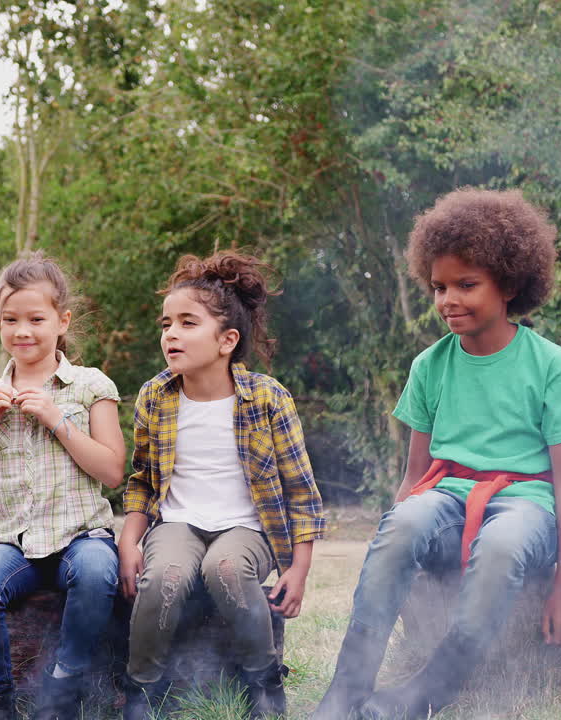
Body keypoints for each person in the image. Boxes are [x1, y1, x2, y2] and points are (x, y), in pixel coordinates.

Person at [313, 188, 561, 720]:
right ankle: (346, 691)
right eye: (439, 286)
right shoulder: (429, 365)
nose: (448, 300)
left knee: (503, 544)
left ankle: (428, 690)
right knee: (401, 526)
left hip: (526, 501)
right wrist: (395, 533)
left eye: (467, 285)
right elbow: (415, 475)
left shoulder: (551, 364)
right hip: (446, 494)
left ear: (509, 284)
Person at [118, 250, 326, 720]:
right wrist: (130, 541)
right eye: (166, 323)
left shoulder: (268, 398)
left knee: (227, 569)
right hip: (178, 522)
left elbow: (301, 491)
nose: (171, 333)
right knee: (165, 576)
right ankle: (142, 689)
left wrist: (300, 568)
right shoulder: (156, 396)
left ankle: (264, 682)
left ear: (227, 339)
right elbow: (143, 483)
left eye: (188, 323)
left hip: (248, 527)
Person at [0, 253, 126, 720]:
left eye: (36, 319)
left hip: (81, 535)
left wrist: (57, 422)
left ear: (62, 320)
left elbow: (112, 471)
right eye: (11, 320)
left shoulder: (89, 386)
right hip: (15, 540)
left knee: (95, 573)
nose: (22, 331)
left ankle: (64, 688)